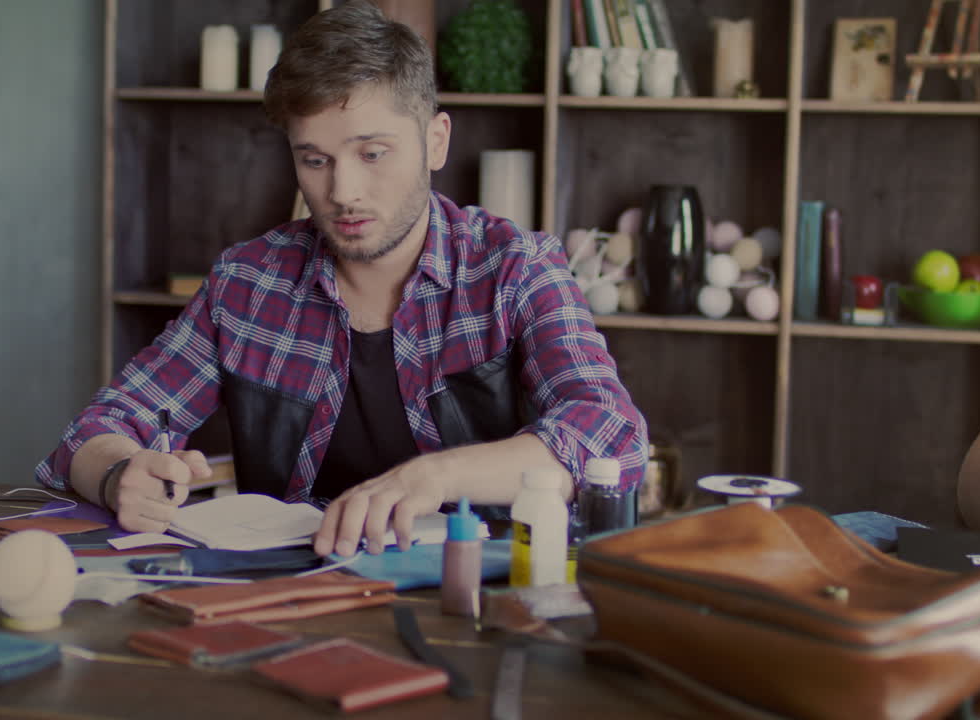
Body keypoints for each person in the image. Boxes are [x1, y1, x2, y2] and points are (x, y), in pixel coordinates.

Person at [35, 0, 648, 557]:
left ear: (436, 141)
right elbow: (97, 429)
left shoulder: (515, 268)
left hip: (476, 598)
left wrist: (431, 477)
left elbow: (610, 434)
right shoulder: (248, 282)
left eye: (372, 153)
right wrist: (119, 475)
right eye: (315, 160)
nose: (342, 193)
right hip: (290, 602)